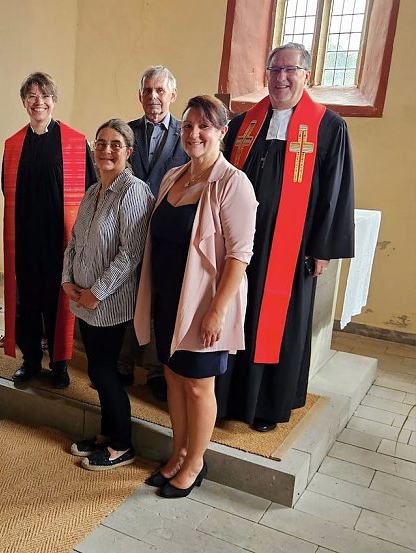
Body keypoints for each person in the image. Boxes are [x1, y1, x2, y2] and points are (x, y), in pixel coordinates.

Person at [215, 43, 355, 432]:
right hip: (242, 245)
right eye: (274, 70)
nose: (280, 78)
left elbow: (336, 192)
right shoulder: (245, 124)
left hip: (290, 253)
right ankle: (226, 396)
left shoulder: (328, 127)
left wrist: (322, 249)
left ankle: (265, 406)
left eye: (289, 70)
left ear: (306, 75)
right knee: (237, 314)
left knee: (276, 324)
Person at [135, 95, 257, 498]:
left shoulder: (232, 184)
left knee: (199, 386)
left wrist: (217, 312)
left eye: (204, 126)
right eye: (187, 126)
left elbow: (240, 256)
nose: (194, 134)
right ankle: (179, 452)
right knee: (172, 377)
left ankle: (195, 463)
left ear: (222, 132)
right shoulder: (173, 177)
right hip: (170, 298)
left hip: (204, 303)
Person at [64, 119, 154, 470]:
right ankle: (106, 434)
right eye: (101, 143)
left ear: (128, 152)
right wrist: (66, 280)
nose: (106, 150)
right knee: (97, 371)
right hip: (83, 299)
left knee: (104, 373)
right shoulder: (92, 191)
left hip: (108, 304)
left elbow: (130, 254)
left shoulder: (134, 191)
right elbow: (74, 242)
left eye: (115, 144)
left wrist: (97, 293)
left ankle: (122, 444)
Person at [2, 72, 96, 389]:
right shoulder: (13, 145)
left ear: (53, 100)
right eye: (31, 96)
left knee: (59, 301)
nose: (38, 102)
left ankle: (59, 363)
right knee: (28, 300)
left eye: (44, 96)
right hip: (27, 239)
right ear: (24, 102)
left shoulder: (74, 142)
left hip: (62, 240)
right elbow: (6, 189)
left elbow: (90, 191)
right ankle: (30, 359)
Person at [120, 65, 191, 400]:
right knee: (125, 293)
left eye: (160, 90)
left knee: (159, 298)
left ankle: (154, 370)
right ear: (140, 95)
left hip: (166, 232)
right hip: (129, 226)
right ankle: (121, 362)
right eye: (147, 90)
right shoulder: (127, 132)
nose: (153, 97)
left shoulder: (187, 134)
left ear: (172, 95)